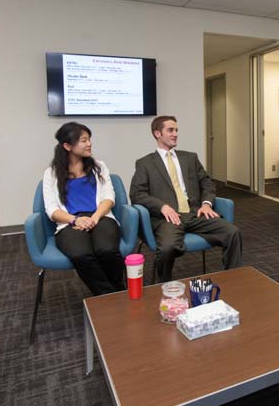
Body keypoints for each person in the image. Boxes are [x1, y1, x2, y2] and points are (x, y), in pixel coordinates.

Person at [130, 115, 242, 282]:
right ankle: (165, 286)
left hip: (195, 213)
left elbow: (207, 182)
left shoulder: (190, 158)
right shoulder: (145, 163)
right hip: (169, 218)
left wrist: (206, 204)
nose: (175, 134)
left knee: (232, 232)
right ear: (157, 134)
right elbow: (137, 194)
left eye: (176, 130)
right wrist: (162, 207)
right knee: (167, 248)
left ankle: (234, 278)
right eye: (170, 130)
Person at [43, 122, 125, 295]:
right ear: (67, 146)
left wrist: (94, 218)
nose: (89, 144)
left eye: (89, 139)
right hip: (70, 222)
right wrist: (75, 219)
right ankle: (113, 295)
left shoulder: (99, 166)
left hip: (101, 217)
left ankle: (115, 294)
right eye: (83, 140)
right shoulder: (51, 173)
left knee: (107, 250)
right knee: (81, 255)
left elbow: (109, 198)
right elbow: (51, 209)